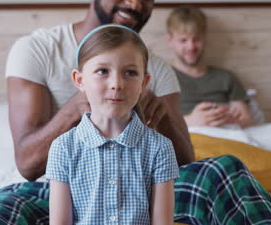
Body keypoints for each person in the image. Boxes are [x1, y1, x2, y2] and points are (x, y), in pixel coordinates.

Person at [0, 0, 271, 224]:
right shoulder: (37, 49)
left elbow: (186, 164)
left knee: (222, 169)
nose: (135, 2)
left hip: (140, 186)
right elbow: (28, 164)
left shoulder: (156, 70)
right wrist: (78, 107)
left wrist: (160, 116)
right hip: (50, 191)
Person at [47, 24, 178, 224]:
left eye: (130, 73)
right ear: (79, 80)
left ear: (144, 83)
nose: (117, 83)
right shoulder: (63, 148)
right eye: (102, 71)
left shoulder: (160, 148)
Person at [166, 6, 255, 128]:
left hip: (229, 137)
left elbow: (249, 123)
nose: (191, 47)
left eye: (196, 39)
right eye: (183, 40)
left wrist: (233, 118)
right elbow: (149, 126)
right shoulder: (161, 78)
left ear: (204, 37)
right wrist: (190, 121)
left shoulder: (226, 78)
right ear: (170, 39)